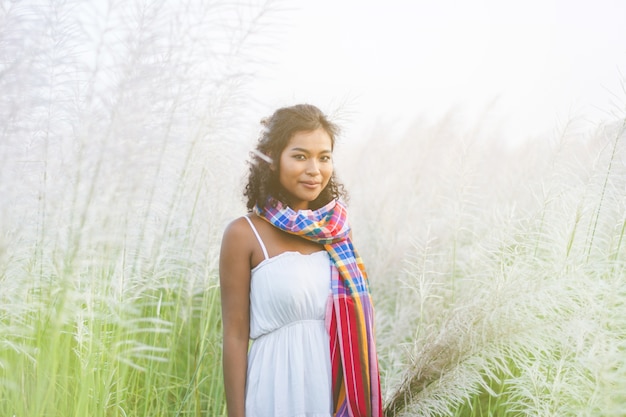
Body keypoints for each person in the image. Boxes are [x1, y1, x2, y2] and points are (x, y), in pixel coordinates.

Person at [219, 104, 383, 417]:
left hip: (331, 391)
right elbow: (235, 336)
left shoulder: (337, 235)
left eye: (324, 157)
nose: (314, 169)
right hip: (274, 388)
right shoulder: (244, 234)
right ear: (271, 159)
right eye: (299, 156)